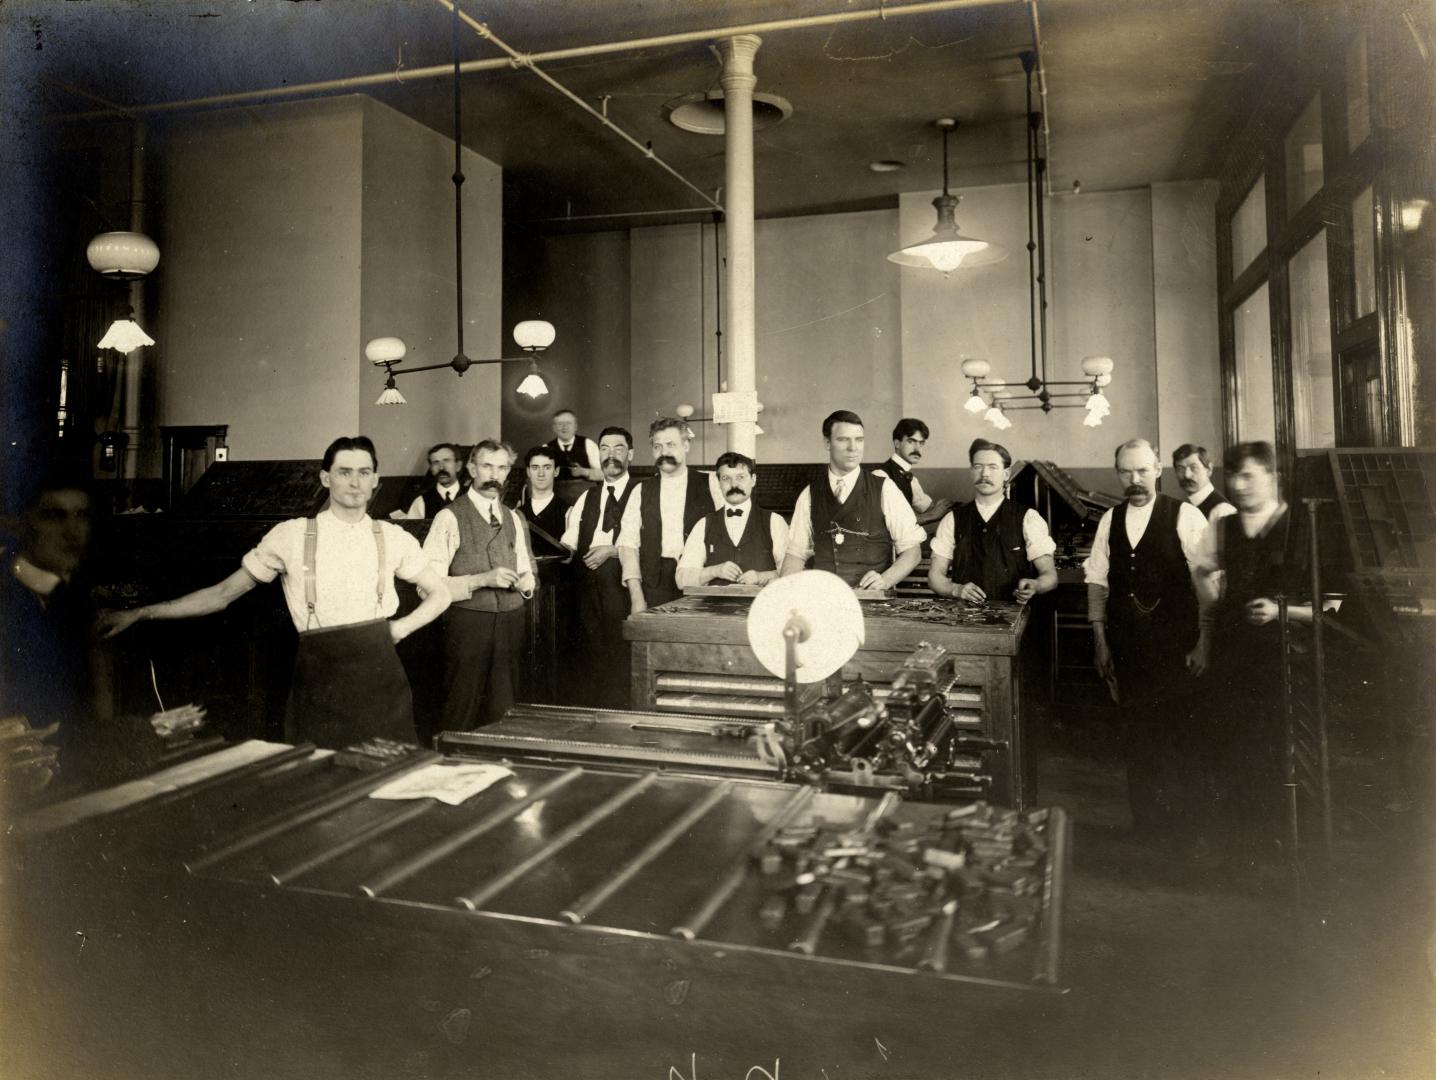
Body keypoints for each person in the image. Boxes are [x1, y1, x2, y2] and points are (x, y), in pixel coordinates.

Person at [100, 436, 450, 748]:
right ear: (325, 478)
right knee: (317, 781)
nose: (355, 482)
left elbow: (440, 593)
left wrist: (400, 628)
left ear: (376, 480)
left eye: (364, 472)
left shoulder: (392, 536)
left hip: (381, 677)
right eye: (344, 472)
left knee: (391, 778)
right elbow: (222, 593)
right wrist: (141, 612)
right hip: (319, 677)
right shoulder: (291, 536)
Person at [1084, 437, 1211, 838]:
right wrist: (1100, 640)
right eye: (1126, 472)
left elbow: (1208, 585)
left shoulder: (1186, 516)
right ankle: (1148, 829)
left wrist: (1205, 642)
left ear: (1158, 469)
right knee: (1138, 739)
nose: (1134, 479)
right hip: (1128, 650)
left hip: (1177, 648)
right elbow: (1097, 582)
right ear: (1117, 473)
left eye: (1142, 470)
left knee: (1179, 739)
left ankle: (1185, 832)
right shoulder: (1110, 520)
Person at [1195, 441, 1310, 850]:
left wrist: (1283, 612)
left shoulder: (1300, 527)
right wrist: (1213, 598)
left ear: (1272, 478)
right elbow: (1201, 569)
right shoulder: (1222, 525)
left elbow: (1331, 606)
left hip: (1283, 658)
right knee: (1230, 747)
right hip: (1232, 655)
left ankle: (1277, 841)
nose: (1238, 485)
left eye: (1248, 476)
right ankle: (1239, 843)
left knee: (1274, 751)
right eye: (1233, 476)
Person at [423, 440, 537, 731]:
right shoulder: (448, 517)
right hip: (468, 623)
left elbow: (526, 569)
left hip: (511, 622)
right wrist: (481, 580)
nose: (494, 475)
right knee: (461, 707)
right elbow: (426, 586)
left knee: (505, 710)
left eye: (502, 468)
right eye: (487, 466)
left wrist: (526, 583)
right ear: (472, 468)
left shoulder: (512, 516)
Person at [2, 471, 108, 781]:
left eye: (81, 516)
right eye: (55, 516)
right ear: (26, 523)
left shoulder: (72, 595)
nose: (72, 532)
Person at [780, 410, 925, 590]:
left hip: (871, 602)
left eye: (859, 439)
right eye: (843, 439)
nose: (853, 447)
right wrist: (785, 591)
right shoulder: (809, 494)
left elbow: (912, 551)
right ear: (827, 443)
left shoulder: (885, 489)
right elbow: (796, 554)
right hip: (824, 599)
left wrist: (885, 580)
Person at [561, 426, 639, 708]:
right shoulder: (587, 497)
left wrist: (614, 550)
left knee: (623, 657)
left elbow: (652, 545)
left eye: (618, 448)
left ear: (630, 454)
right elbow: (570, 539)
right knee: (591, 658)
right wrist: (559, 551)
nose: (611, 456)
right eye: (604, 449)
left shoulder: (644, 492)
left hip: (622, 590)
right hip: (587, 591)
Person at [928, 438, 1057, 604]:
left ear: (1006, 474)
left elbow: (1050, 576)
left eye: (992, 467)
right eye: (978, 467)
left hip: (1013, 620)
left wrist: (1036, 585)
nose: (984, 474)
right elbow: (934, 576)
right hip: (964, 620)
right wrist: (956, 589)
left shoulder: (1028, 518)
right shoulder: (952, 519)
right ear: (971, 471)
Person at [618, 417, 724, 614]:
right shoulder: (641, 490)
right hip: (656, 586)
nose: (664, 452)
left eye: (670, 445)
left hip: (702, 582)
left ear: (686, 445)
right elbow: (628, 546)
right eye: (657, 446)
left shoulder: (712, 483)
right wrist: (637, 598)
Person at [675, 452, 788, 589]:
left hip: (762, 607)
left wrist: (761, 577)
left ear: (753, 480)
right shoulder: (704, 524)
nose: (734, 484)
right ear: (719, 483)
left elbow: (792, 575)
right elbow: (681, 580)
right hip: (713, 609)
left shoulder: (775, 522)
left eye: (740, 477)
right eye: (726, 478)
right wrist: (714, 571)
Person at [873, 418, 953, 526]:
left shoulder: (910, 478)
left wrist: (942, 508)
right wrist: (932, 515)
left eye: (921, 443)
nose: (917, 448)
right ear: (897, 443)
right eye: (911, 441)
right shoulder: (880, 475)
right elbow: (891, 522)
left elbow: (925, 507)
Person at [515, 445, 571, 558]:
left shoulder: (569, 512)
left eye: (547, 467)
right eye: (535, 468)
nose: (541, 474)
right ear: (528, 472)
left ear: (556, 471)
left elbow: (569, 557)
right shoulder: (516, 513)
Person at [393, 442, 466, 520]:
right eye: (435, 462)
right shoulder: (421, 502)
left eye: (446, 461)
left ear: (458, 466)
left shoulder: (474, 497)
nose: (441, 468)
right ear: (431, 468)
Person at [1172, 443, 1235, 524]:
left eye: (1194, 467)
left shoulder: (1222, 511)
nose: (1187, 475)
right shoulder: (1185, 505)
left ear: (1209, 469)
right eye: (1181, 469)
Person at [545, 409, 603, 483]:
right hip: (557, 492)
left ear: (575, 427)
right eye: (560, 424)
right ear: (554, 428)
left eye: (568, 423)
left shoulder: (588, 444)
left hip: (585, 492)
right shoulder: (546, 448)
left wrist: (584, 471)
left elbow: (604, 474)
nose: (564, 427)